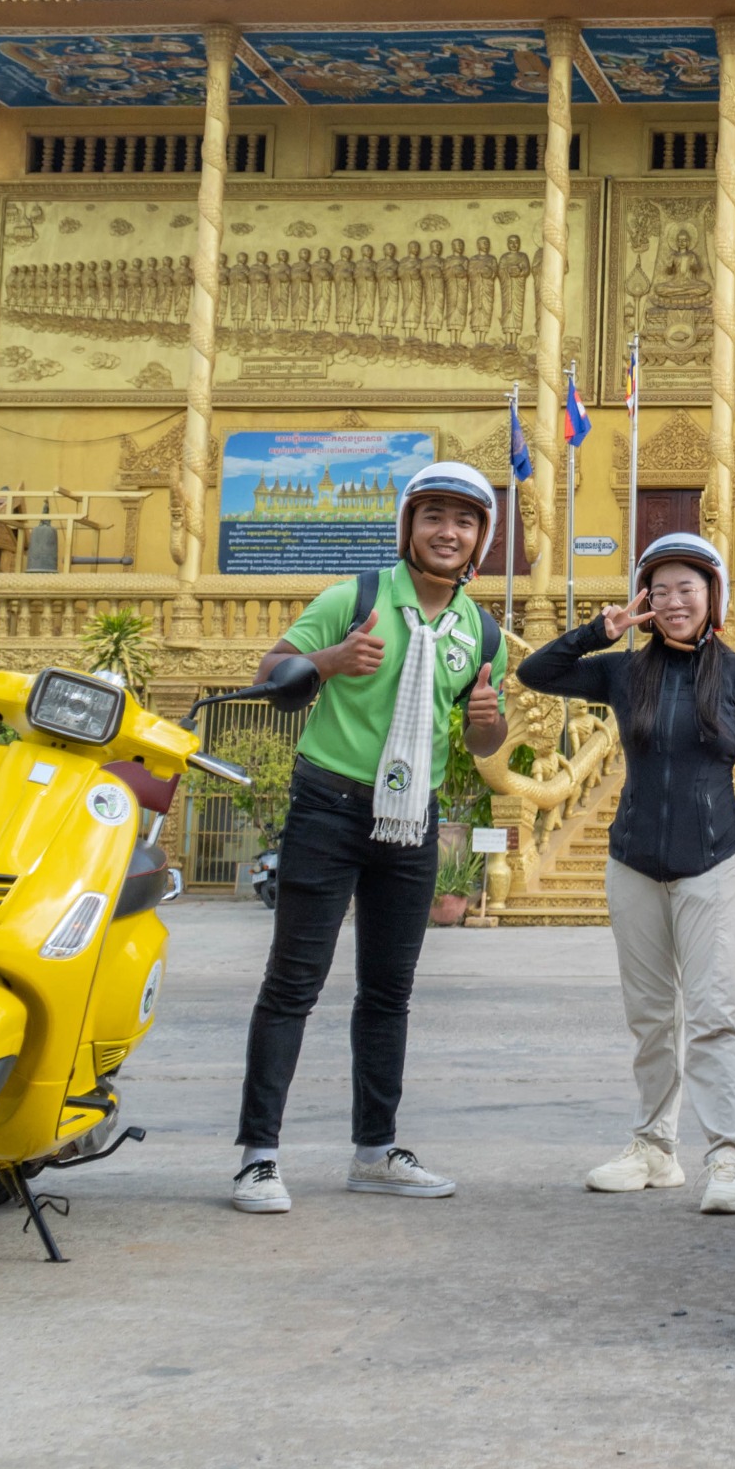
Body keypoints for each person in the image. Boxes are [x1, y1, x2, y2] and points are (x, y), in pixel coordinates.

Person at [231, 462, 508, 1214]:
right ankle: (258, 1157)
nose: (449, 532)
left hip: (410, 817)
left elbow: (488, 740)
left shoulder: (479, 630)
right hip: (327, 804)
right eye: (434, 517)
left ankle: (375, 1151)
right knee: (293, 985)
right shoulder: (352, 600)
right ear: (408, 527)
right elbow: (270, 676)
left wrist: (488, 724)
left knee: (389, 993)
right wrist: (328, 661)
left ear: (481, 537)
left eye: (465, 521)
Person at [519, 532, 735, 1215]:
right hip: (632, 863)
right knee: (649, 1016)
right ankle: (655, 1149)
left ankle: (727, 1156)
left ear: (712, 596)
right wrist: (596, 631)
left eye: (686, 588)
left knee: (712, 1013)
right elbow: (536, 674)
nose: (672, 602)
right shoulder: (621, 671)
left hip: (714, 862)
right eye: (658, 590)